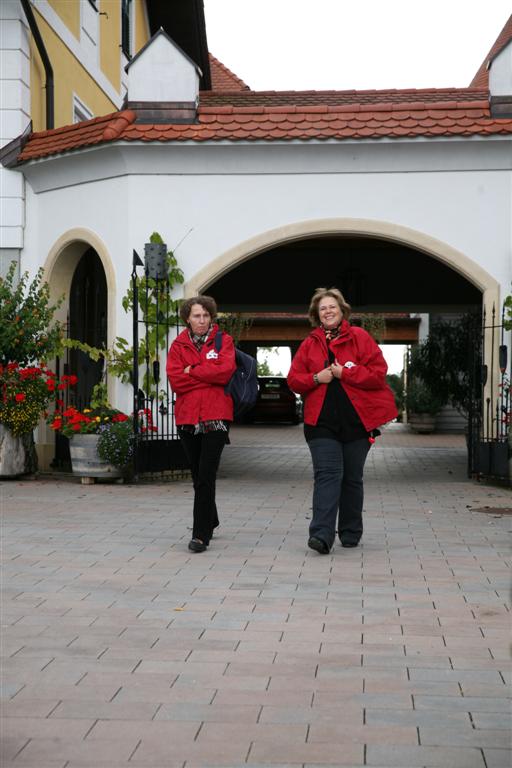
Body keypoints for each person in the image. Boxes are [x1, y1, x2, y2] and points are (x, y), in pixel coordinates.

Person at [287, 287, 397, 554]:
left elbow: (378, 374)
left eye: (332, 307)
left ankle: (350, 531)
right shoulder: (309, 344)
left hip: (357, 423)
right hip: (320, 424)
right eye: (323, 308)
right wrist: (316, 378)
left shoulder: (359, 337)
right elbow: (293, 380)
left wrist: (345, 372)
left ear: (342, 310)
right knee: (327, 475)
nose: (328, 311)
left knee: (351, 478)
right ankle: (322, 535)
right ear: (316, 314)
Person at [166, 295, 236, 553]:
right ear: (188, 318)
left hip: (216, 417)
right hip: (187, 418)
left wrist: (191, 371)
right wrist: (207, 372)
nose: (202, 320)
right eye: (197, 315)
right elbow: (176, 381)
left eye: (206, 315)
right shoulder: (178, 346)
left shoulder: (224, 341)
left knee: (206, 475)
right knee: (197, 475)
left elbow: (225, 371)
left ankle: (200, 535)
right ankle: (212, 518)